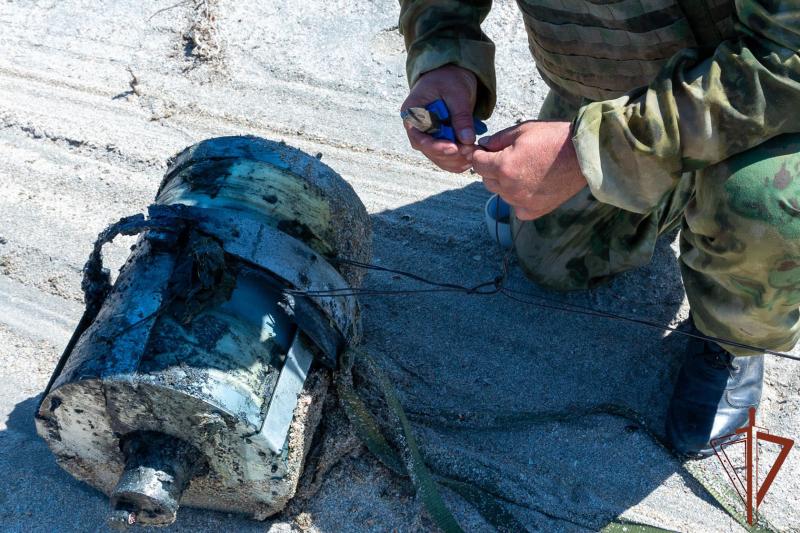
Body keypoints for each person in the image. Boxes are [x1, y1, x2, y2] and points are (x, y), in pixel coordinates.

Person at [398, 0, 800, 457]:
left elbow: (787, 64)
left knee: (767, 207)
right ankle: (672, 181)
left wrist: (586, 153)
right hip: (616, 83)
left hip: (766, 106)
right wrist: (444, 56)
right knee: (553, 262)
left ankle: (734, 339)